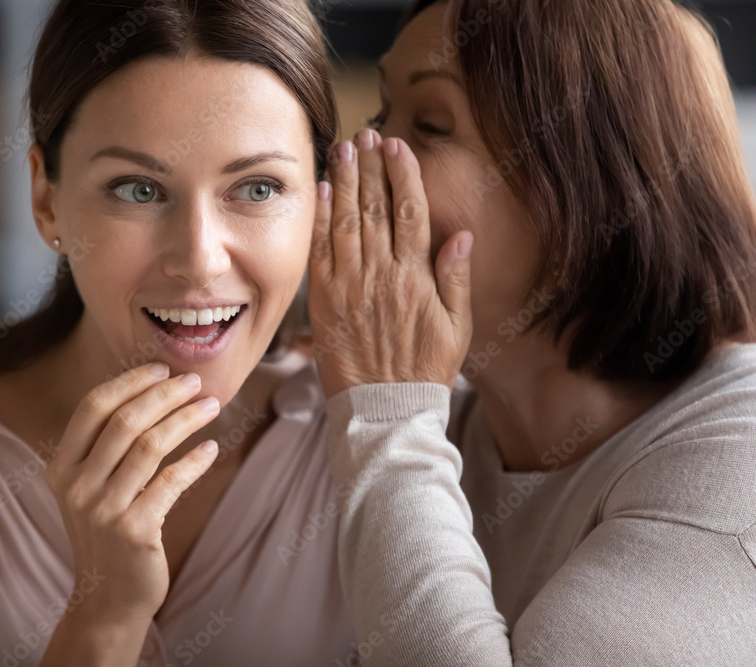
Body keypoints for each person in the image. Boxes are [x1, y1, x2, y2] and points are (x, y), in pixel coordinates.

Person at [0, 1, 366, 665]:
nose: (200, 259)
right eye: (138, 190)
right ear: (45, 198)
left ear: (322, 203)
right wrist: (104, 614)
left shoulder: (386, 456)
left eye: (258, 188)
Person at [308, 0, 756, 664]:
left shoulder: (739, 453)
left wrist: (388, 409)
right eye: (378, 116)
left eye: (429, 125)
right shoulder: (448, 428)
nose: (356, 159)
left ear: (589, 183)